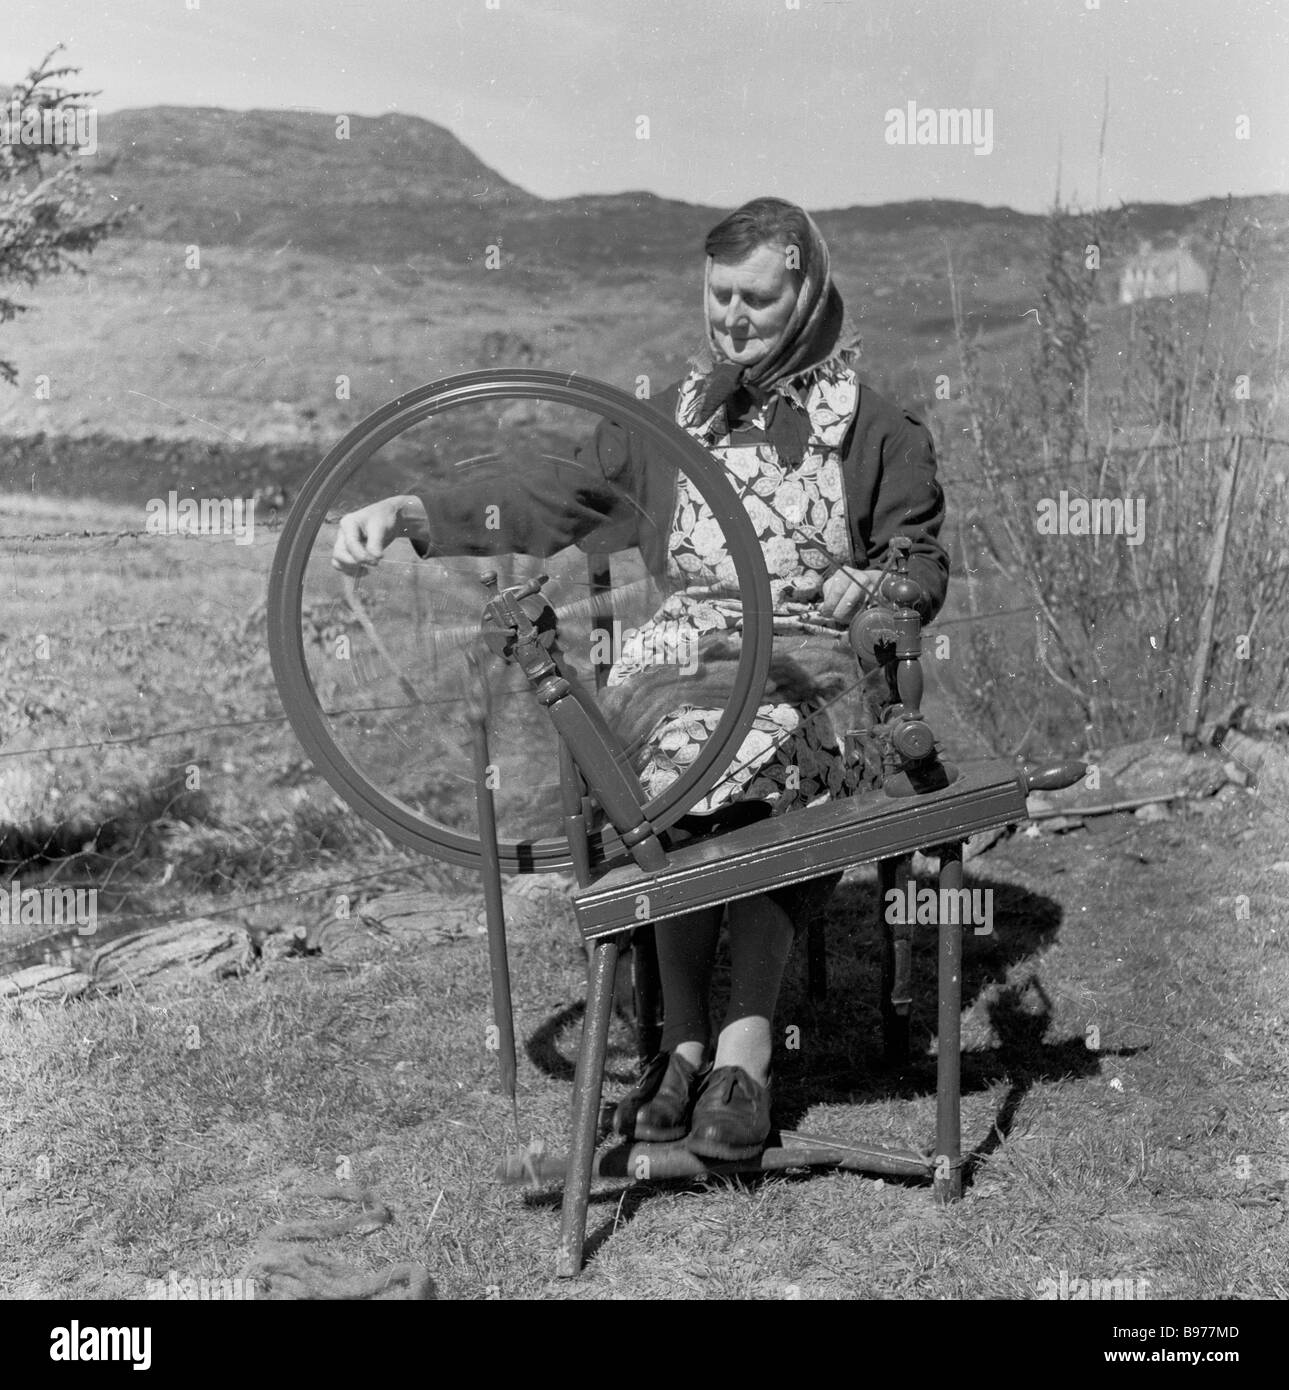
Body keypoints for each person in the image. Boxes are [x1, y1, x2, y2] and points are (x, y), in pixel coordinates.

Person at [332, 196, 948, 1162]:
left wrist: (871, 584)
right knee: (653, 777)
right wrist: (411, 512)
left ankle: (744, 1048)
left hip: (809, 663)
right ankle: (681, 1045)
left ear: (809, 287)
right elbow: (551, 493)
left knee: (752, 770)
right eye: (717, 298)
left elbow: (918, 562)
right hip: (679, 660)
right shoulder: (675, 419)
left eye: (756, 299)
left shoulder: (873, 428)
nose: (732, 319)